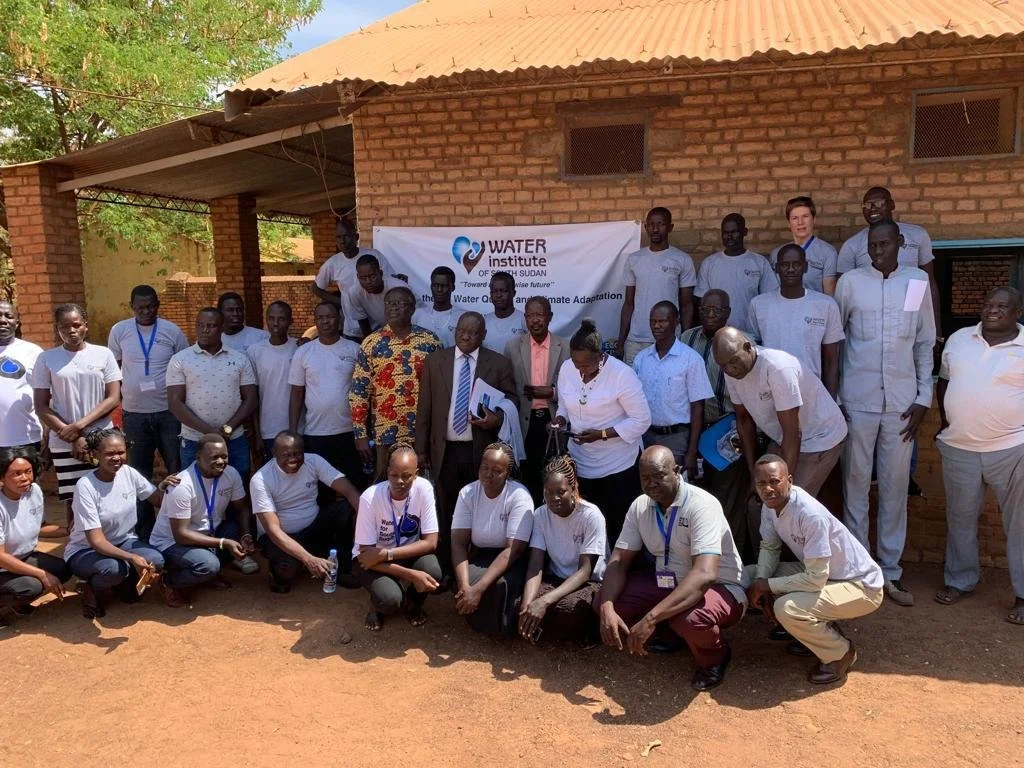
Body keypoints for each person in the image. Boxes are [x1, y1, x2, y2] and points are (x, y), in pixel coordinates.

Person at [836, 218, 935, 607]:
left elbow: (924, 341)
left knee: (894, 489)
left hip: (901, 405)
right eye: (871, 245)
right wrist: (839, 398)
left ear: (899, 242)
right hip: (857, 401)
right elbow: (837, 340)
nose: (877, 250)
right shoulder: (851, 283)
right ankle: (862, 573)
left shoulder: (915, 282)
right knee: (855, 486)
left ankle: (891, 572)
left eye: (884, 243)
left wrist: (924, 395)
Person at [596, 446, 746, 691]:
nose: (652, 484)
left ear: (676, 472)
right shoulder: (640, 506)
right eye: (645, 478)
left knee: (690, 619)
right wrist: (607, 606)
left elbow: (705, 574)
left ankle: (714, 658)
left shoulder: (702, 505)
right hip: (669, 582)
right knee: (606, 599)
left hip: (721, 587)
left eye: (659, 476)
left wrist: (650, 618)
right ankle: (672, 635)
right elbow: (619, 561)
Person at [745, 455, 883, 685]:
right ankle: (811, 635)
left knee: (787, 609)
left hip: (860, 586)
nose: (768, 489)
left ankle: (840, 654)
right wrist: (761, 580)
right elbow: (770, 546)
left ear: (789, 480)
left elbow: (815, 579)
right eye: (761, 484)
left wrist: (767, 586)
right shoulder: (771, 505)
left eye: (774, 482)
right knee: (749, 575)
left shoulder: (809, 514)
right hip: (826, 575)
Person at [935, 287, 1024, 625]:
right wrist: (947, 422)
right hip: (960, 447)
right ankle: (960, 580)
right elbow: (944, 382)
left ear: (1017, 311)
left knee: (1020, 525)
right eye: (988, 303)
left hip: (1012, 448)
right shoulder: (959, 339)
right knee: (959, 518)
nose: (992, 310)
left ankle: (1023, 594)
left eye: (1002, 306)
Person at [416, 311, 518, 578]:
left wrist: (495, 419)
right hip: (445, 451)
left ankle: (473, 567)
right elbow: (424, 408)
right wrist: (420, 449)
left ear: (483, 335)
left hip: (480, 453)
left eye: (472, 332)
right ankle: (448, 568)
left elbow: (512, 401)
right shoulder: (436, 361)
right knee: (446, 509)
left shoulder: (498, 364)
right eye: (461, 330)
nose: (465, 336)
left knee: (477, 510)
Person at [713, 327, 848, 503]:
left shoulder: (777, 369)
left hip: (819, 438)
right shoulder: (731, 371)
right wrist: (754, 474)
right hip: (782, 437)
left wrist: (783, 487)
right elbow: (744, 421)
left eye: (734, 361)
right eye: (723, 365)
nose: (730, 369)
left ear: (747, 347)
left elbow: (793, 432)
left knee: (788, 504)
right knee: (759, 503)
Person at [549, 319, 650, 542]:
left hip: (618, 465)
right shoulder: (568, 368)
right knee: (588, 525)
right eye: (577, 364)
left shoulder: (622, 375)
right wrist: (560, 419)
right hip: (581, 461)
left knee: (616, 526)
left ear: (600, 356)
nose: (581, 371)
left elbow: (642, 420)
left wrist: (602, 434)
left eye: (586, 365)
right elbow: (565, 403)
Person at [64, 429, 177, 619]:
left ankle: (122, 582)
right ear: (95, 455)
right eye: (109, 453)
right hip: (85, 550)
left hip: (124, 541)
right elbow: (96, 541)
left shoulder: (129, 473)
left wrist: (166, 488)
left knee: (155, 560)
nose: (117, 458)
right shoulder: (86, 486)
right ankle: (91, 589)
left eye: (121, 452)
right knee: (114, 569)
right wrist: (132, 558)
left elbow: (157, 500)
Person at [31, 304, 122, 520]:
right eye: (64, 327)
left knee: (106, 496)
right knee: (73, 498)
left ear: (85, 326)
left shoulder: (104, 354)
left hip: (102, 440)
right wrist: (72, 435)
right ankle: (76, 548)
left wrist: (80, 429)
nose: (71, 331)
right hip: (64, 442)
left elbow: (113, 398)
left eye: (76, 325)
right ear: (57, 329)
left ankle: (110, 543)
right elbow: (41, 406)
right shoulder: (47, 359)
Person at [680, 290, 752, 554]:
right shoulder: (687, 338)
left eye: (717, 311)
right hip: (695, 432)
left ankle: (732, 562)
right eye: (706, 309)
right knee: (699, 500)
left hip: (730, 430)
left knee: (728, 501)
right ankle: (702, 557)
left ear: (728, 313)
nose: (710, 315)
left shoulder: (742, 342)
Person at [150, 433, 255, 606]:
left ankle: (205, 576)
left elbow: (242, 508)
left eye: (224, 456)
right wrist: (224, 543)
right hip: (171, 543)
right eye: (214, 457)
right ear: (198, 458)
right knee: (209, 565)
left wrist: (245, 534)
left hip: (206, 535)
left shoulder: (231, 474)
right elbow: (181, 535)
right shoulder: (182, 485)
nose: (221, 462)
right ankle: (168, 581)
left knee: (235, 530)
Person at [250, 431, 361, 593]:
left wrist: (365, 528)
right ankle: (282, 568)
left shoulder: (313, 461)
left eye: (298, 453)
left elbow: (350, 491)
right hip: (281, 536)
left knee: (344, 510)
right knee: (285, 576)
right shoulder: (261, 479)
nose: (293, 459)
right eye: (286, 455)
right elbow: (273, 531)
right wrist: (308, 559)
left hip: (312, 528)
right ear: (274, 454)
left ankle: (341, 568)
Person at [107, 285, 188, 506]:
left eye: (151, 306)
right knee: (138, 473)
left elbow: (185, 369)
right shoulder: (119, 331)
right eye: (141, 307)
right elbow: (115, 370)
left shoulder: (172, 331)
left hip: (169, 413)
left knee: (176, 469)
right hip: (134, 414)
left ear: (158, 305)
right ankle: (143, 531)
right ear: (132, 306)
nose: (146, 311)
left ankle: (176, 521)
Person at [350, 286, 441, 474]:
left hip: (422, 432)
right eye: (389, 304)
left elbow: (440, 387)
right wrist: (360, 433)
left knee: (422, 482)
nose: (393, 308)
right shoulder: (371, 343)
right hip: (385, 431)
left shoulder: (430, 341)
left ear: (412, 308)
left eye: (399, 303)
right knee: (386, 483)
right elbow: (359, 391)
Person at [518, 455, 606, 646]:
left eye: (561, 492)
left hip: (589, 583)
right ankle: (542, 629)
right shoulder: (541, 515)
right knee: (521, 603)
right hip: (556, 579)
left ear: (574, 489)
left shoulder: (591, 516)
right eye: (548, 492)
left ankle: (586, 635)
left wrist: (545, 601)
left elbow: (585, 572)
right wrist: (529, 603)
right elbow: (535, 566)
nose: (554, 498)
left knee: (567, 608)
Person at [353, 444, 442, 631]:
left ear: (416, 473)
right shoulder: (370, 497)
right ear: (387, 472)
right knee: (390, 600)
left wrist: (387, 553)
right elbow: (366, 557)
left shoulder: (424, 488)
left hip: (391, 554)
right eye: (394, 475)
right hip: (371, 561)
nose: (400, 481)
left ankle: (412, 604)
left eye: (407, 476)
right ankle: (377, 606)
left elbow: (431, 542)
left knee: (432, 570)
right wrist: (411, 575)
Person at [166, 307, 258, 482]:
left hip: (234, 439)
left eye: (211, 326)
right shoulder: (180, 360)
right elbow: (175, 403)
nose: (204, 330)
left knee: (238, 488)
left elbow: (251, 398)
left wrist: (229, 427)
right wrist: (211, 433)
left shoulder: (239, 359)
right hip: (195, 441)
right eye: (200, 325)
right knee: (194, 490)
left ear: (222, 327)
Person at [451, 443, 534, 635]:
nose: (488, 475)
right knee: (463, 581)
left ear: (508, 473)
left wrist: (478, 589)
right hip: (481, 555)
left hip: (511, 558)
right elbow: (458, 542)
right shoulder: (468, 493)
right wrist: (466, 587)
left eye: (497, 471)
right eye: (484, 468)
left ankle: (501, 627)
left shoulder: (519, 496)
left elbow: (514, 549)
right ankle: (474, 613)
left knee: (497, 586)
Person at [837, 186, 940, 331]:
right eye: (866, 205)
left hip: (911, 315)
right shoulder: (852, 245)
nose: (872, 208)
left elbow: (928, 284)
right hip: (870, 320)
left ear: (892, 205)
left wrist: (936, 331)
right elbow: (844, 296)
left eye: (879, 203)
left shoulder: (917, 235)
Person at [289, 301, 365, 488]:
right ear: (315, 321)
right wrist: (293, 432)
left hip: (350, 432)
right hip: (316, 433)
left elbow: (364, 392)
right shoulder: (303, 352)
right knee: (322, 489)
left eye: (330, 317)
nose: (325, 321)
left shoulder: (354, 350)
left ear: (339, 320)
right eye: (320, 318)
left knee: (354, 483)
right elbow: (297, 394)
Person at [633, 301, 713, 479]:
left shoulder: (691, 359)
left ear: (676, 321)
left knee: (674, 489)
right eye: (653, 321)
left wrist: (692, 452)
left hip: (677, 439)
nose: (657, 326)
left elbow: (698, 408)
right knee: (648, 488)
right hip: (645, 436)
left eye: (663, 321)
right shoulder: (642, 358)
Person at [750, 243, 844, 395]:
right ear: (776, 268)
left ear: (805, 267)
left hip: (811, 392)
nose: (791, 269)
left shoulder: (826, 305)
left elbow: (831, 361)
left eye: (797, 264)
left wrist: (831, 402)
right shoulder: (758, 304)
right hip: (771, 391)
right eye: (785, 265)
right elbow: (754, 354)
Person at [505, 296, 570, 505]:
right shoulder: (513, 346)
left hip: (554, 421)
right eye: (530, 315)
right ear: (525, 318)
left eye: (540, 315)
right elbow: (507, 388)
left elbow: (577, 391)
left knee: (556, 475)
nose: (535, 320)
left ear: (549, 317)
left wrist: (551, 393)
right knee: (528, 475)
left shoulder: (565, 347)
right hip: (526, 422)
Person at [0, 447, 71, 624]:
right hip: (3, 563)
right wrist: (41, 574)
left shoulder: (34, 492)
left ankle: (16, 602)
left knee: (63, 569)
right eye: (16, 474)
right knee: (31, 587)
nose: (24, 478)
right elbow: (0, 557)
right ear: (1, 478)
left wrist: (69, 531)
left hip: (23, 556)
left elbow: (40, 527)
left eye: (28, 471)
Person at [616, 206, 696, 364]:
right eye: (651, 224)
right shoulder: (634, 259)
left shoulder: (682, 259)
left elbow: (687, 305)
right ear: (646, 227)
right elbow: (628, 303)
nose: (655, 229)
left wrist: (685, 338)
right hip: (636, 340)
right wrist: (621, 341)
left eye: (660, 224)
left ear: (670, 227)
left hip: (670, 339)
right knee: (635, 387)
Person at [694, 213, 778, 336]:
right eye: (725, 233)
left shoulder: (759, 263)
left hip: (750, 336)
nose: (729, 236)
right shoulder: (709, 263)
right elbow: (701, 302)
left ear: (745, 232)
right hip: (716, 336)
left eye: (734, 232)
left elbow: (770, 300)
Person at [312, 217, 392, 341]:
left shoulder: (374, 256)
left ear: (356, 237)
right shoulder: (333, 263)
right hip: (352, 330)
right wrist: (341, 301)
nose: (343, 241)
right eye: (338, 237)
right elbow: (316, 288)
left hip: (379, 326)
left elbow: (389, 282)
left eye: (346, 236)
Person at [247, 301, 299, 463]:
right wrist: (257, 434)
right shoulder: (255, 352)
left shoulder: (300, 348)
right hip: (267, 429)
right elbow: (252, 396)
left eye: (281, 319)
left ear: (291, 321)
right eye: (271, 318)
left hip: (298, 428)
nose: (275, 323)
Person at [769, 196, 838, 295]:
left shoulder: (828, 252)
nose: (800, 222)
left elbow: (829, 295)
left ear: (814, 219)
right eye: (795, 218)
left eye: (805, 216)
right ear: (789, 223)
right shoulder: (776, 254)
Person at [0, 301, 44, 451]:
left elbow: (46, 396)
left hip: (25, 439)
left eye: (9, 316)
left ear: (17, 323)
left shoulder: (32, 352)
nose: (3, 320)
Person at [346, 253, 409, 337]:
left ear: (381, 273)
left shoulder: (397, 288)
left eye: (372, 276)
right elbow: (364, 324)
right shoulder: (354, 293)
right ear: (358, 277)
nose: (368, 281)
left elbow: (412, 318)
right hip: (382, 332)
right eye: (363, 278)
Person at [412, 266, 464, 347]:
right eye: (435, 285)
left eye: (444, 286)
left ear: (453, 287)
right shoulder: (418, 314)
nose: (439, 289)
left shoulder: (462, 317)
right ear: (431, 286)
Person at [482, 271, 527, 353]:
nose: (499, 295)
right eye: (495, 291)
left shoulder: (524, 320)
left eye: (504, 291)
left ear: (513, 293)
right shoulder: (484, 321)